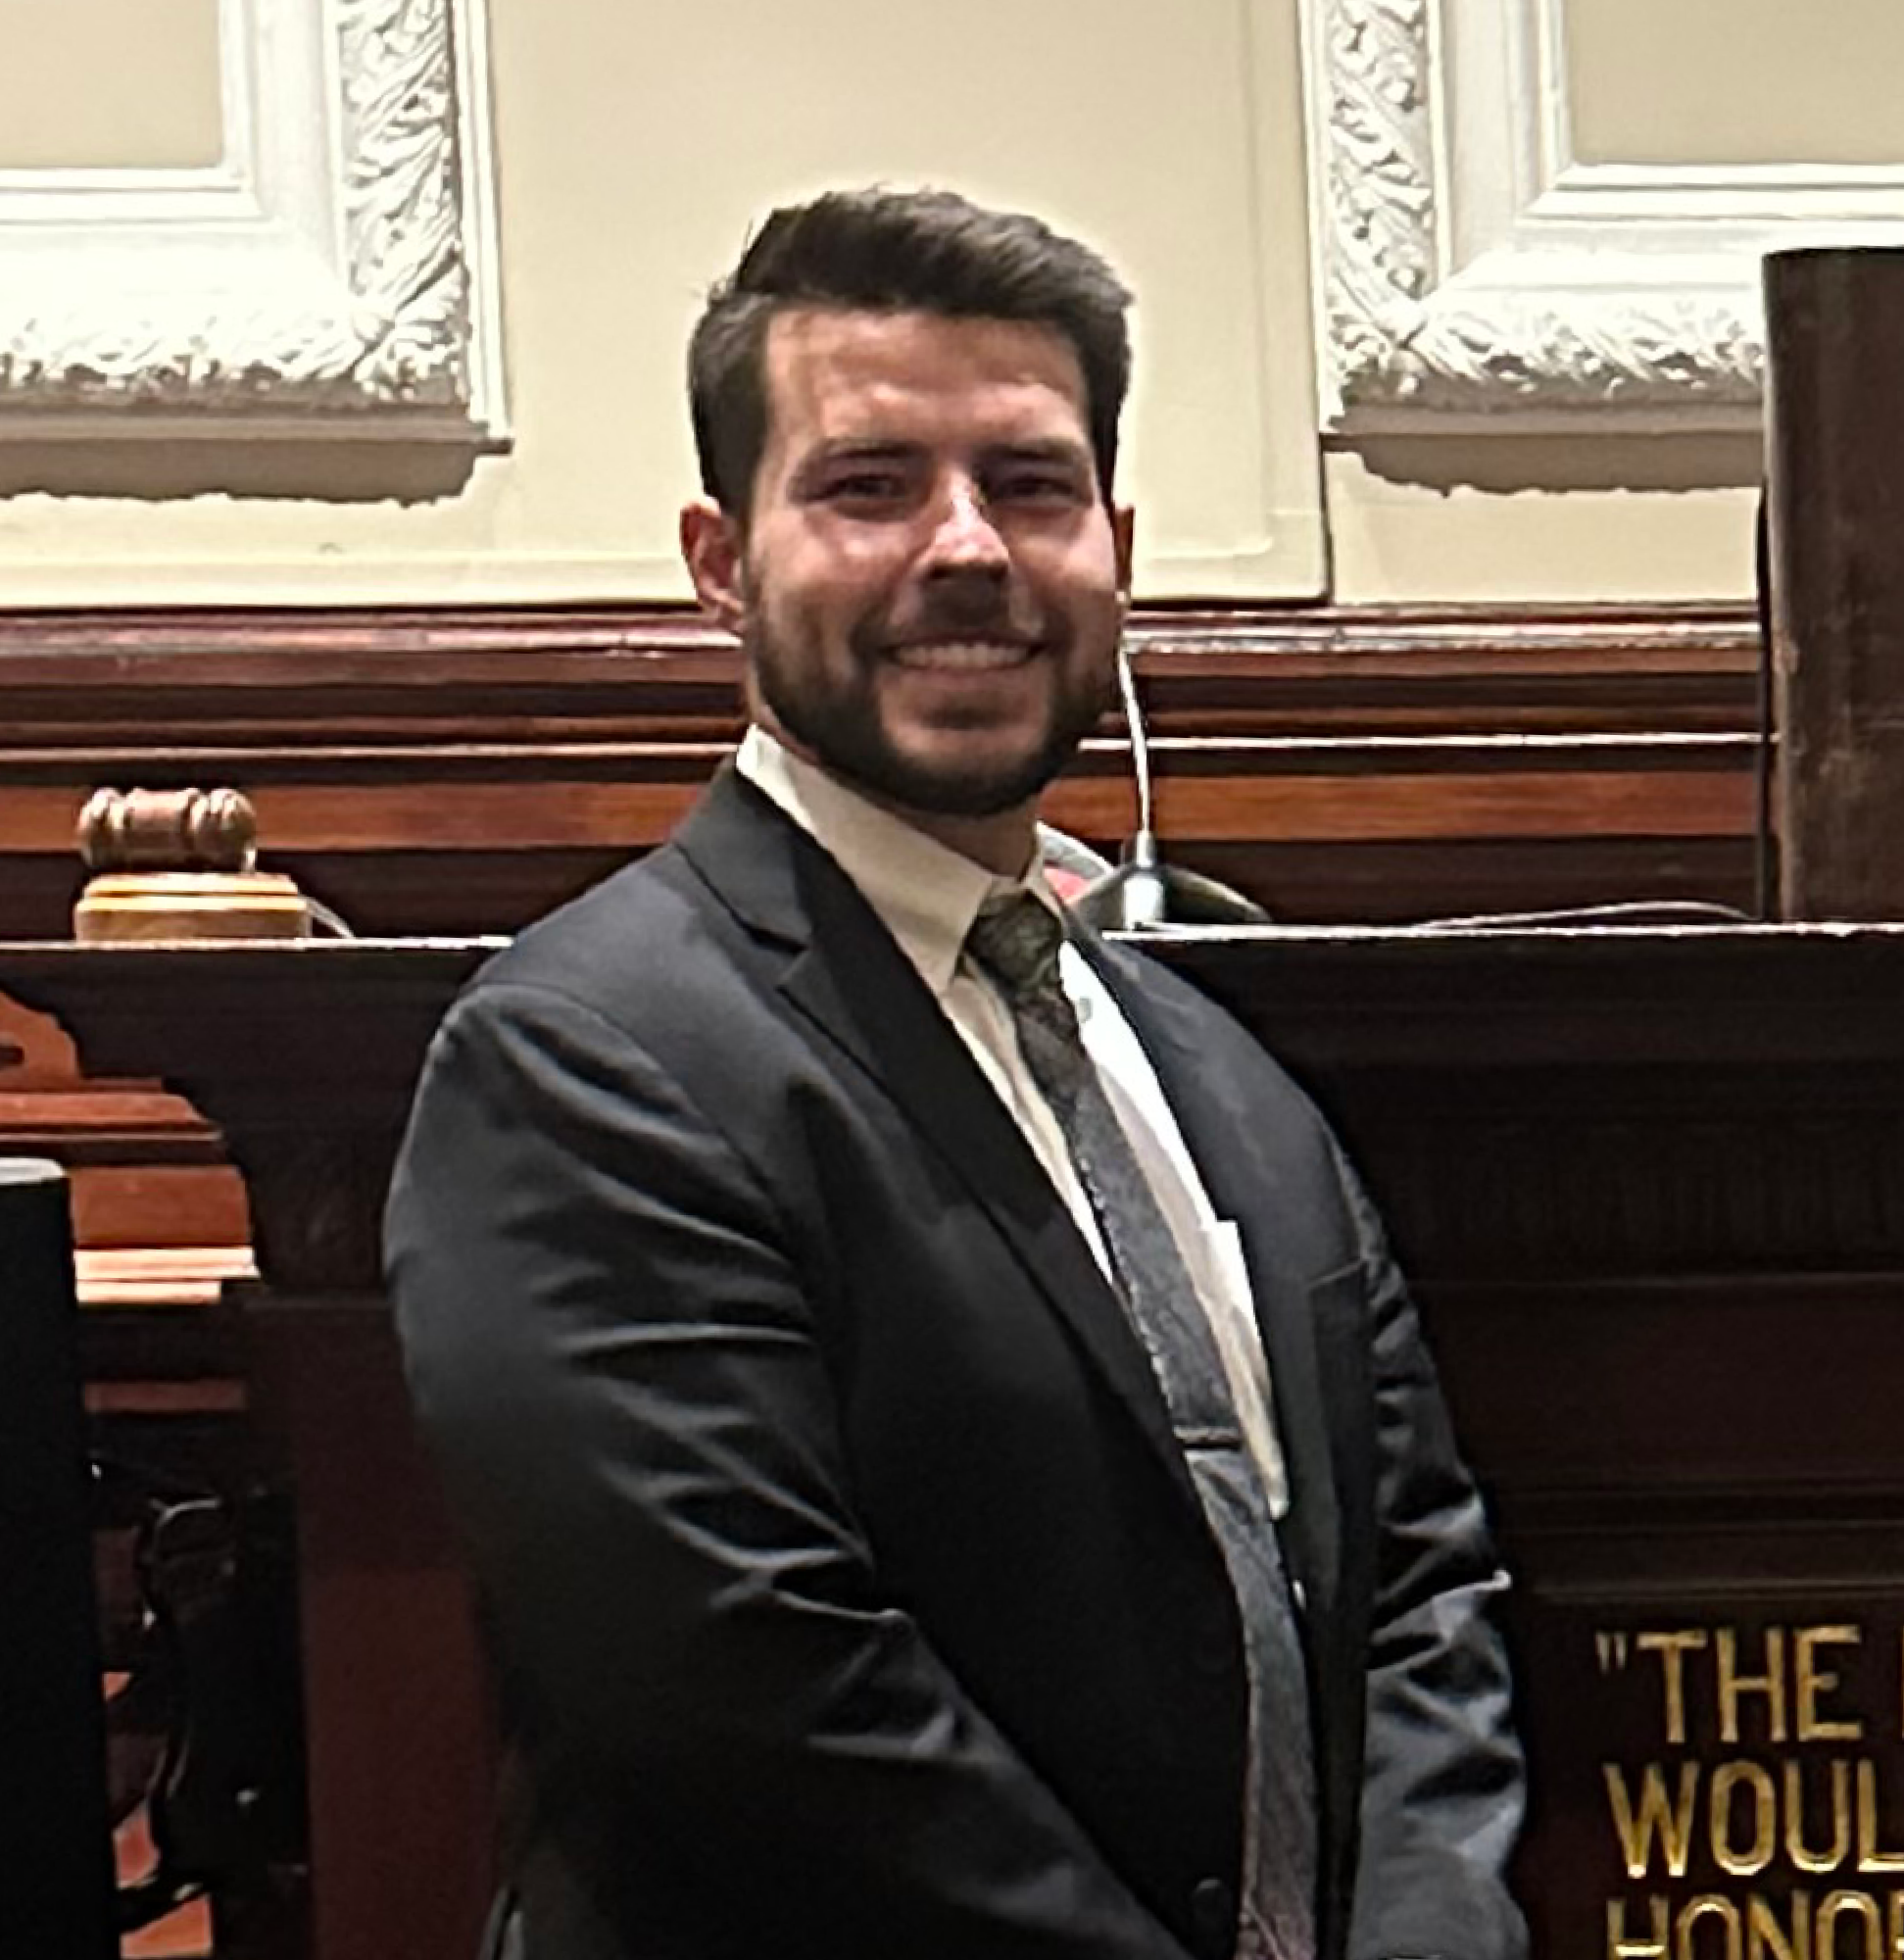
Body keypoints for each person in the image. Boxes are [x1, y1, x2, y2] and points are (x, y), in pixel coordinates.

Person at [381, 187, 1527, 1960]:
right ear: (720, 560)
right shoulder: (585, 1066)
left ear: (1115, 546)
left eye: (1032, 484)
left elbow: (1418, 1592)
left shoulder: (1214, 1071)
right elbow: (756, 1709)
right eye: (869, 486)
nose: (970, 548)